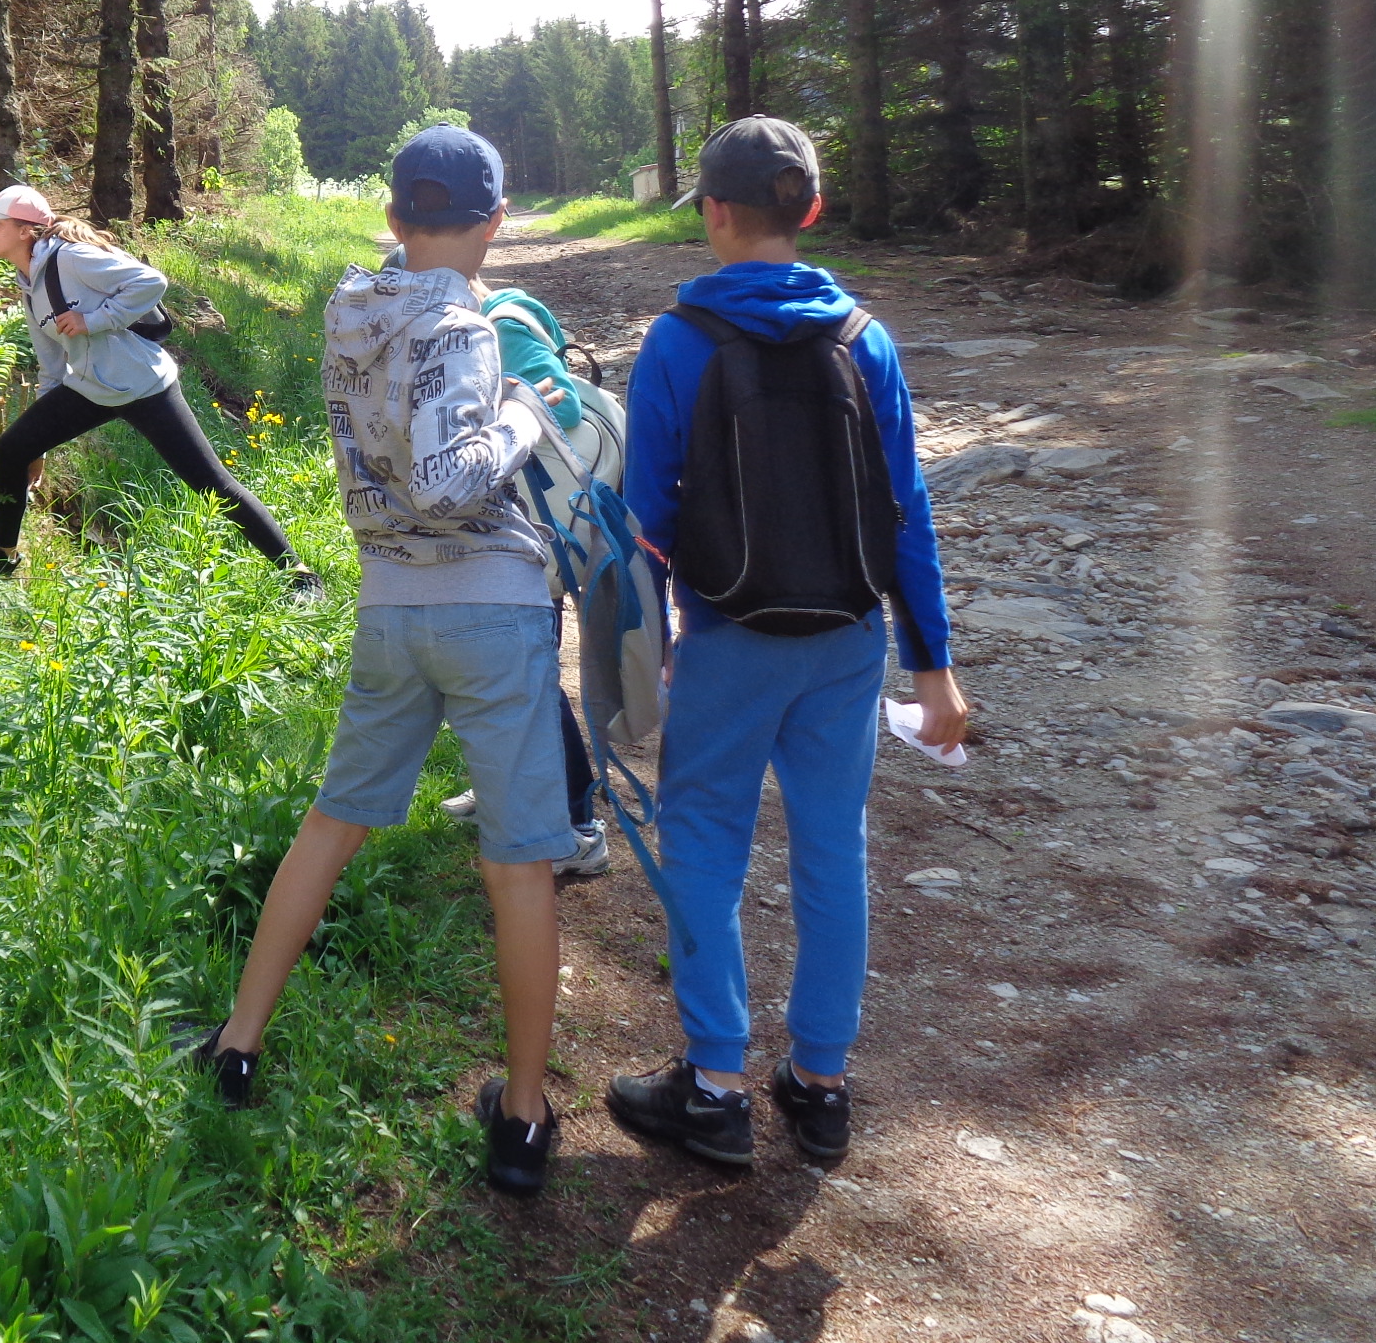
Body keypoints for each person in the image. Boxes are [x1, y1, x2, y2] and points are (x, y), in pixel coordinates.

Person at [183, 127, 572, 1197]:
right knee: (519, 863)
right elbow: (452, 480)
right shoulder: (465, 323)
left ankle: (238, 1043)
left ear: (395, 217)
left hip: (391, 608)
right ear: (496, 222)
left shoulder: (350, 309)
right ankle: (523, 1117)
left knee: (333, 820)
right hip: (491, 610)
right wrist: (523, 417)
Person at [607, 115, 967, 1168]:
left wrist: (645, 647)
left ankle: (715, 1085)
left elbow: (645, 521)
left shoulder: (678, 342)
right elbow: (906, 512)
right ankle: (820, 1082)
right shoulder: (865, 339)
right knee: (832, 848)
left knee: (704, 844)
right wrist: (933, 666)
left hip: (729, 635)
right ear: (810, 209)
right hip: (848, 641)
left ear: (713, 213)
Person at [0, 184, 314, 593]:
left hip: (144, 386)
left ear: (25, 230)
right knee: (13, 449)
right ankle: (3, 554)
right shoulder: (27, 282)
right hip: (88, 389)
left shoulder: (70, 258)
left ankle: (299, 573)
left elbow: (150, 281)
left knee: (211, 483)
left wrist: (93, 320)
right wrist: (38, 447)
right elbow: (51, 365)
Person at [435, 277, 611, 879]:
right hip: (506, 533)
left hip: (528, 536)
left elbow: (561, 404)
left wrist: (497, 412)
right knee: (498, 672)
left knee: (532, 677)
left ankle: (579, 826)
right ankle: (501, 791)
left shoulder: (503, 325)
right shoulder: (468, 326)